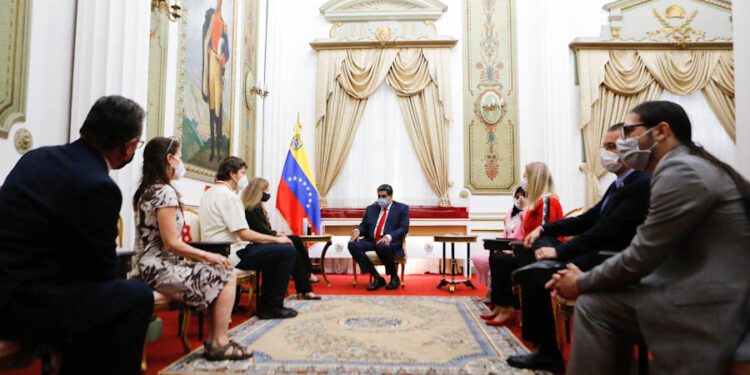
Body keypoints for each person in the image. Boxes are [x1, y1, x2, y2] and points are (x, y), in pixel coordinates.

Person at [547, 101, 750, 375]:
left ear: (661, 131)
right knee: (600, 298)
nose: (623, 143)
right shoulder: (688, 165)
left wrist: (580, 282)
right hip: (700, 286)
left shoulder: (681, 171)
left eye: (629, 132)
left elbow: (641, 255)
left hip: (709, 303)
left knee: (594, 305)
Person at [0, 96, 153, 374]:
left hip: (9, 288)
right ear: (129, 146)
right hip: (23, 307)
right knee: (137, 295)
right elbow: (100, 272)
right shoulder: (99, 185)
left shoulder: (36, 157)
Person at [506, 123, 651, 372]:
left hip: (612, 259)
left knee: (539, 267)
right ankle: (546, 347)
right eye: (604, 146)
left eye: (612, 147)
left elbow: (607, 231)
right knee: (535, 249)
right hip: (598, 252)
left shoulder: (640, 183)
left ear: (631, 149)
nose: (606, 153)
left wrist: (560, 251)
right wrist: (545, 229)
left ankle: (549, 351)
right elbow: (586, 220)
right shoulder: (618, 186)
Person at [130, 137, 251, 360]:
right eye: (179, 157)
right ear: (169, 160)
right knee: (228, 273)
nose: (181, 161)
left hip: (146, 266)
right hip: (159, 269)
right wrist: (208, 256)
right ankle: (219, 342)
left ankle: (216, 340)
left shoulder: (147, 189)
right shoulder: (163, 192)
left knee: (220, 270)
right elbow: (172, 243)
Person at [199, 156, 298, 319]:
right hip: (232, 254)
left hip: (218, 249)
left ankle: (268, 304)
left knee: (276, 251)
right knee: (286, 250)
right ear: (232, 174)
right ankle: (271, 307)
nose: (245, 177)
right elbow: (244, 234)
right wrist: (276, 239)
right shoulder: (229, 197)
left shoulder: (210, 193)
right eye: (243, 173)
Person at [483, 162, 563, 327]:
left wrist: (519, 251)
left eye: (526, 175)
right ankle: (500, 305)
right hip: (529, 250)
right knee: (497, 258)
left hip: (541, 254)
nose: (523, 179)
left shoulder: (548, 201)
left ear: (536, 179)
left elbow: (542, 233)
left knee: (501, 261)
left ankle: (508, 308)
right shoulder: (538, 201)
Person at [241, 177, 320, 300]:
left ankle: (307, 277)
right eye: (266, 190)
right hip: (260, 242)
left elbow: (262, 228)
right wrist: (276, 235)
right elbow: (260, 230)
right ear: (259, 191)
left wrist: (276, 234)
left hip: (265, 239)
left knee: (296, 240)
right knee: (291, 245)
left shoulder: (258, 206)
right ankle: (306, 283)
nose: (268, 193)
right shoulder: (253, 208)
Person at [348, 184, 409, 291]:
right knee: (352, 244)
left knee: (382, 246)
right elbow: (364, 225)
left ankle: (394, 277)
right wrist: (356, 231)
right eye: (379, 196)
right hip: (371, 241)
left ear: (391, 196)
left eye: (384, 196)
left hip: (389, 242)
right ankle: (377, 277)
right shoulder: (371, 209)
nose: (381, 199)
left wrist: (389, 236)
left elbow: (404, 228)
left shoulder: (402, 208)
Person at [472, 186, 527, 303]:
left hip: (516, 247)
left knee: (496, 260)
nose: (519, 199)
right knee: (478, 257)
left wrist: (525, 211)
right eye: (517, 197)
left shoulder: (527, 214)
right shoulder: (511, 213)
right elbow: (504, 234)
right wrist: (498, 246)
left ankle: (495, 295)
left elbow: (524, 234)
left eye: (522, 196)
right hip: (504, 244)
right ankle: (490, 291)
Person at [201, 0, 229, 162]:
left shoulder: (223, 24)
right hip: (210, 64)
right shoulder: (209, 19)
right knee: (212, 107)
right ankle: (213, 149)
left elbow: (227, 49)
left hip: (219, 66)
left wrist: (223, 58)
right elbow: (205, 42)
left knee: (218, 107)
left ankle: (218, 150)